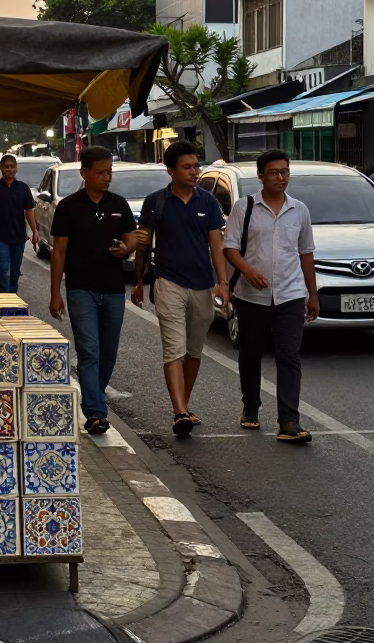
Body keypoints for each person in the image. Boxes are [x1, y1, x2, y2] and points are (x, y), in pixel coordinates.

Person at [133, 141, 229, 438]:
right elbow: (142, 242)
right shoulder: (155, 201)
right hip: (167, 281)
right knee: (174, 348)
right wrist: (138, 280)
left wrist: (222, 282)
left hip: (201, 285)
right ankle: (179, 411)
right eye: (187, 167)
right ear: (171, 170)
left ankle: (184, 405)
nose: (194, 172)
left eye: (196, 166)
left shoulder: (208, 202)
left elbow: (216, 244)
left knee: (193, 351)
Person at [223, 150, 319, 443]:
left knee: (289, 356)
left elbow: (306, 253)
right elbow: (230, 247)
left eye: (285, 172)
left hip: (290, 294)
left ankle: (289, 421)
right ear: (261, 175)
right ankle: (250, 405)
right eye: (275, 172)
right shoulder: (245, 207)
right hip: (252, 296)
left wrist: (312, 293)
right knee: (251, 353)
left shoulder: (299, 210)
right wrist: (247, 271)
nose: (281, 178)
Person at [49, 146, 137, 435]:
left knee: (108, 353)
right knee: (89, 351)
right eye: (100, 172)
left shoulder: (119, 204)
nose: (106, 177)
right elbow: (58, 251)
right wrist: (55, 293)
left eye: (109, 172)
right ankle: (96, 412)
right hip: (80, 289)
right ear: (84, 173)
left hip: (113, 290)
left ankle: (93, 398)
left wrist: (127, 248)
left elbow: (132, 238)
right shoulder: (68, 207)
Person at [0, 154, 39, 293]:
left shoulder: (23, 188)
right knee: (3, 270)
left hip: (18, 237)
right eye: (6, 167)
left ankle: (13, 298)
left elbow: (29, 212)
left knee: (14, 271)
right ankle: (3, 299)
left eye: (12, 167)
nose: (9, 169)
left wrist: (35, 231)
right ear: (1, 168)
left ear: (16, 169)